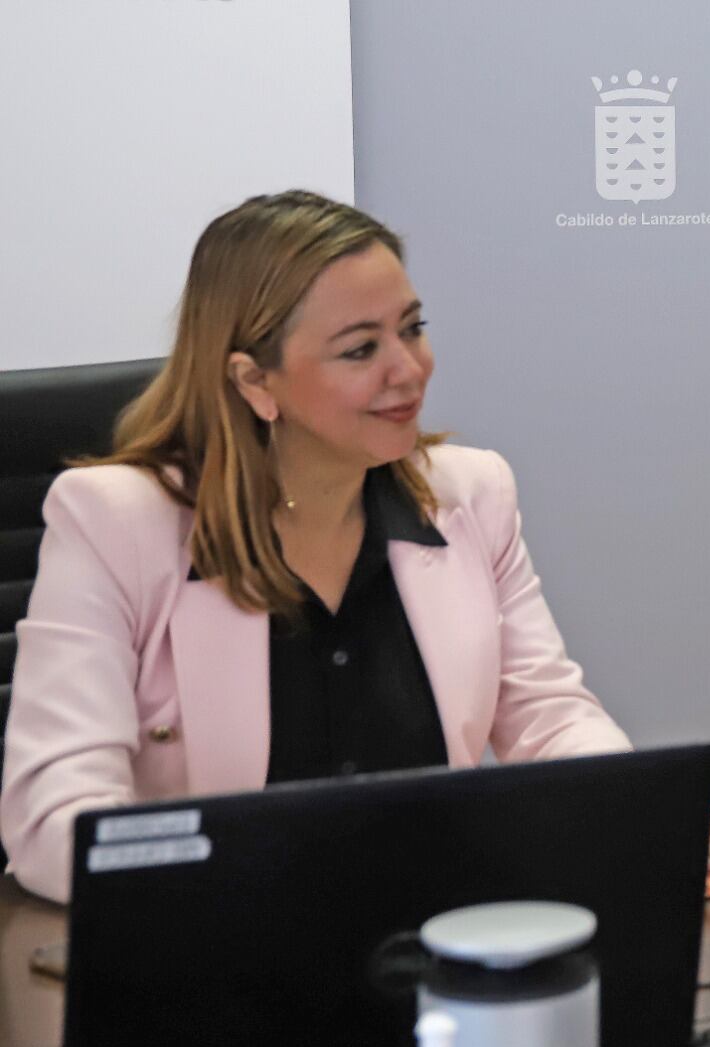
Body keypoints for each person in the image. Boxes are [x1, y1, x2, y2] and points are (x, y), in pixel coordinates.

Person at [1, 191, 651, 903]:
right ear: (255, 381)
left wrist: (627, 818)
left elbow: (550, 717)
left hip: (433, 943)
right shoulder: (116, 521)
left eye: (413, 328)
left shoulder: (471, 494)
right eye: (361, 349)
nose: (409, 369)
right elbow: (55, 818)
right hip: (221, 951)